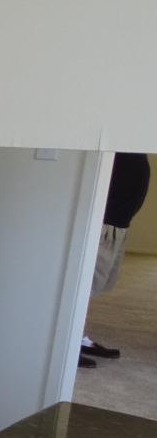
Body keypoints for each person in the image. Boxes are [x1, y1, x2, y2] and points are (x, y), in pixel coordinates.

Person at [81, 151, 151, 367]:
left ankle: (78, 335)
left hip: (117, 224)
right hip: (104, 220)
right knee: (84, 284)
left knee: (97, 284)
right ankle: (69, 341)